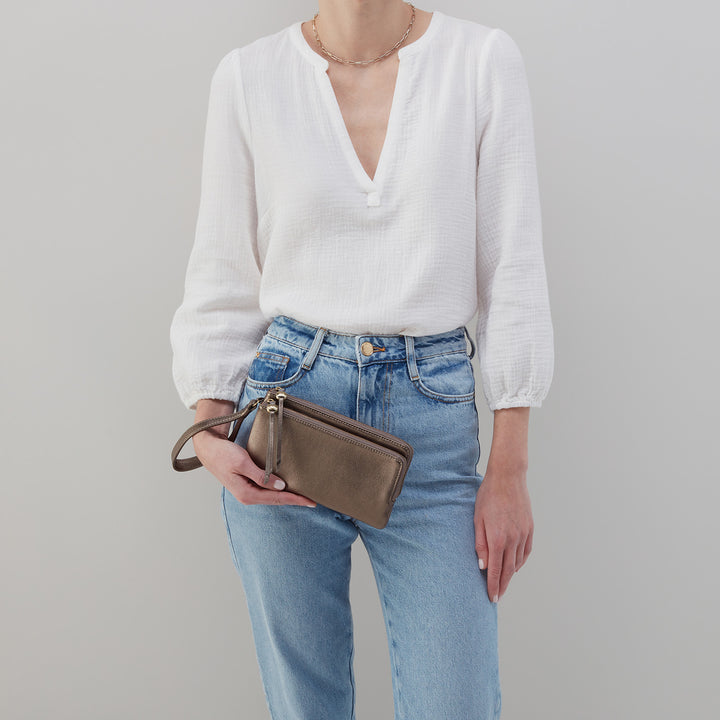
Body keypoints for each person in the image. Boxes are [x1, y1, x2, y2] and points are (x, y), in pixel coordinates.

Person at [169, 2, 554, 718]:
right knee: (305, 706)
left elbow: (515, 273)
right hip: (286, 416)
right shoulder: (249, 77)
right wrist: (211, 425)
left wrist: (509, 470)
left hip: (432, 422)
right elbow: (222, 268)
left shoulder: (481, 61)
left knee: (456, 703)